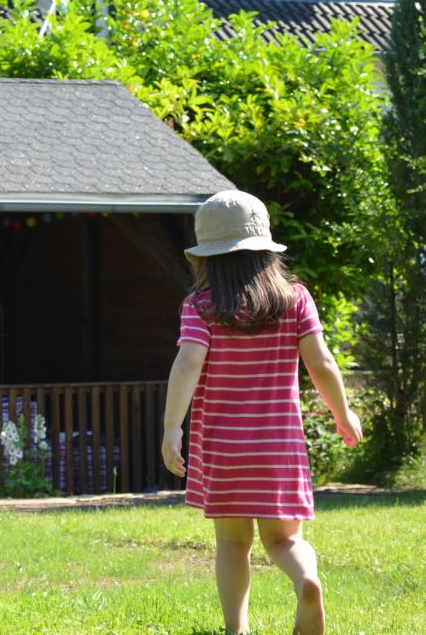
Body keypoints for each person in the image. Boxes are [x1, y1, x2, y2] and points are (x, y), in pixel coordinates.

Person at [160, 190, 362, 635]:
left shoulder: (201, 307)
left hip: (223, 448)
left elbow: (188, 362)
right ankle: (306, 580)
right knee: (286, 540)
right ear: (266, 250)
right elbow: (321, 363)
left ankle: (237, 630)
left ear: (207, 258)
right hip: (279, 447)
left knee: (232, 542)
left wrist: (172, 427)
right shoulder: (294, 300)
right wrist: (343, 413)